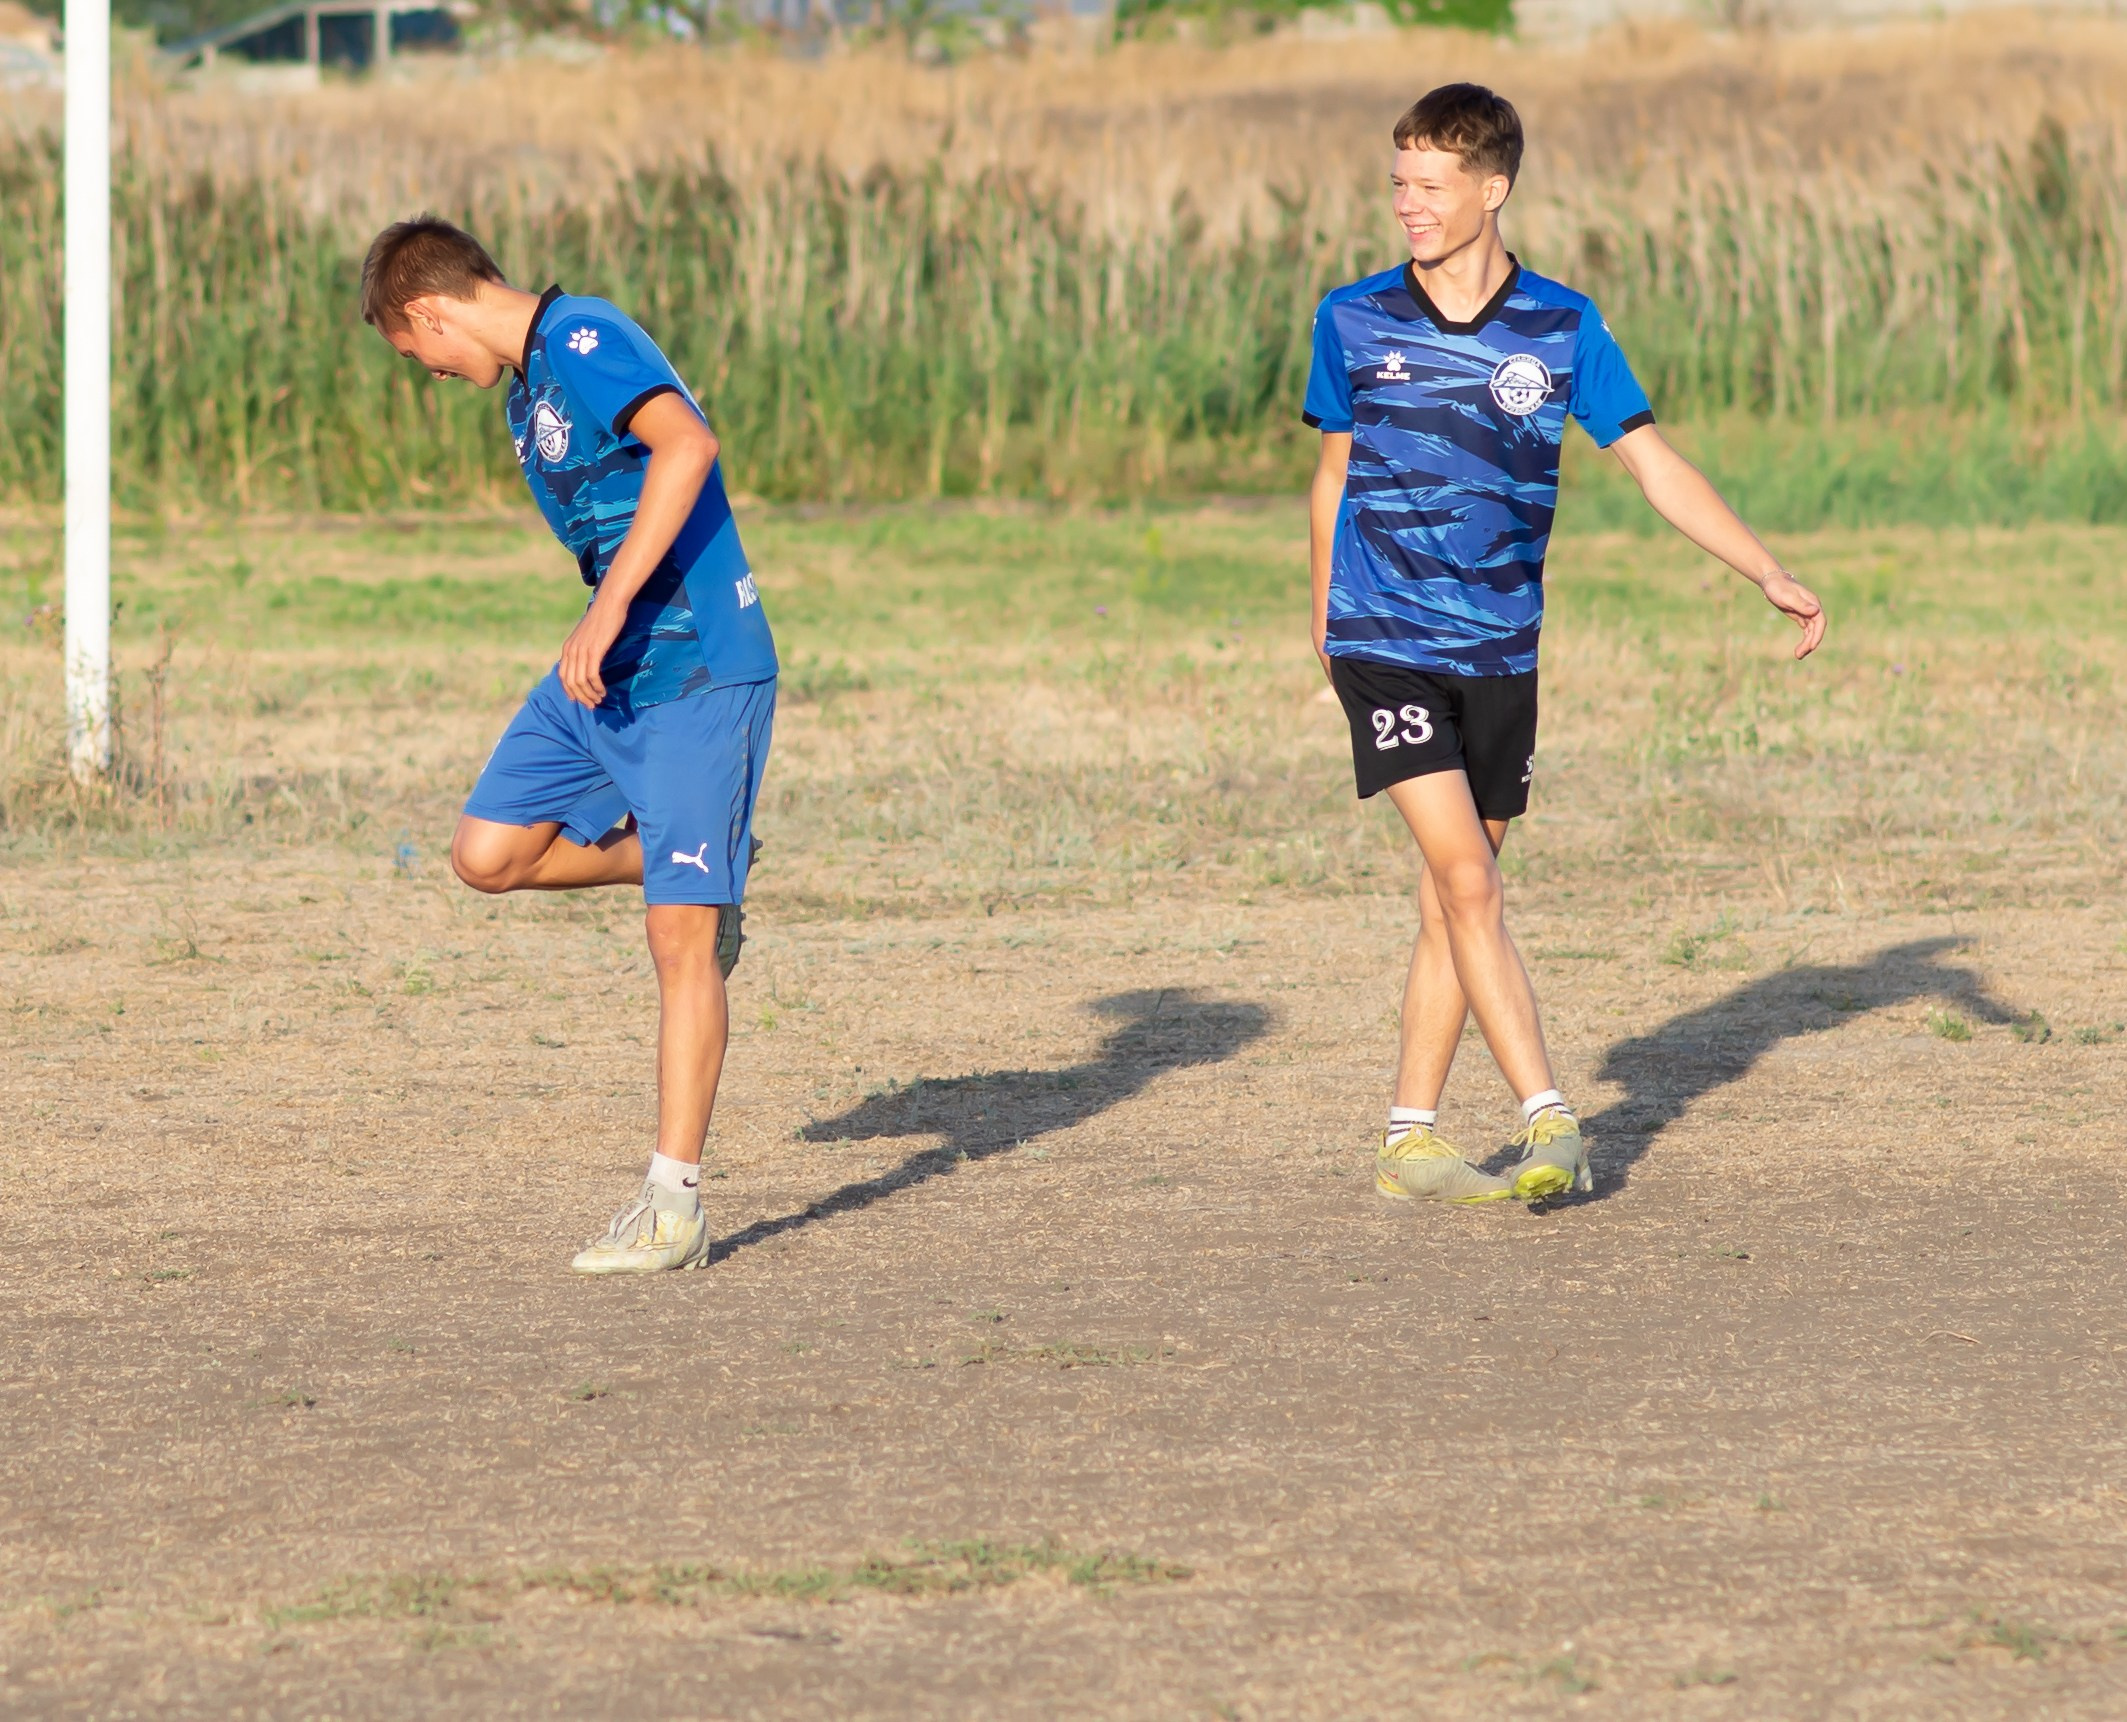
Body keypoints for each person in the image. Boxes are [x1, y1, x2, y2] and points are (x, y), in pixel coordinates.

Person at [1303, 84, 1826, 1205]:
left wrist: (1765, 569)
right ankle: (1551, 1118)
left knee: (1462, 891)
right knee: (1467, 883)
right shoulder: (1350, 317)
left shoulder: (1563, 326)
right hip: (1384, 635)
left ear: (1492, 190)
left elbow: (1653, 463)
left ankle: (1407, 1139)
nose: (1408, 205)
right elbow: (1333, 467)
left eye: (1430, 186)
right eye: (1398, 183)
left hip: (1502, 652)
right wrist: (1323, 612)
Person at [360, 217, 779, 1272]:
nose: (435, 374)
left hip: (693, 667)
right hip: (607, 673)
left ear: (430, 309)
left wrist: (608, 609)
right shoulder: (524, 390)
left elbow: (689, 443)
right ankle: (707, 864)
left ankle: (673, 1207)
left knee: (677, 944)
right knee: (486, 853)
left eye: (421, 357)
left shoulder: (583, 335)